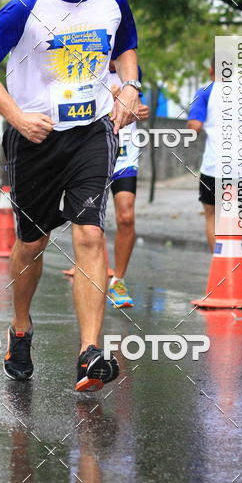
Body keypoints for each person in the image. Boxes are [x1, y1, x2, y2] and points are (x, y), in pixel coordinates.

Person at [0, 0, 140, 392]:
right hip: (35, 139)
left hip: (91, 132)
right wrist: (16, 117)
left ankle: (89, 353)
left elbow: (126, 46)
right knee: (33, 243)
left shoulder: (111, 1)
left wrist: (128, 86)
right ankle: (20, 328)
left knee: (90, 234)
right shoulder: (26, 5)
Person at [187, 56, 242, 267]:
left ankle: (222, 267)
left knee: (213, 217)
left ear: (211, 71)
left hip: (215, 166)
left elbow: (194, 127)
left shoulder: (206, 92)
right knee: (237, 212)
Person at [106, 63, 149, 308]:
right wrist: (107, 100)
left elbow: (136, 106)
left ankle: (118, 281)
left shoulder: (133, 69)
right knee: (90, 219)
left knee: (126, 216)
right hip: (93, 150)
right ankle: (90, 272)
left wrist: (141, 111)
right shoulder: (88, 60)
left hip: (124, 153)